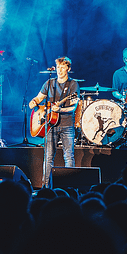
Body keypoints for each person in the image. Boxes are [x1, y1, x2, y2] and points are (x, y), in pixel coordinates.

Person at [29, 56, 80, 188]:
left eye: (63, 67)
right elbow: (39, 98)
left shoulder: (73, 84)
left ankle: (70, 187)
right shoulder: (49, 83)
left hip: (67, 125)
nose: (59, 70)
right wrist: (33, 102)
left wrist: (60, 110)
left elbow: (73, 107)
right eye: (58, 67)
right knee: (48, 157)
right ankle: (45, 187)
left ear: (68, 68)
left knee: (68, 156)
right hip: (50, 126)